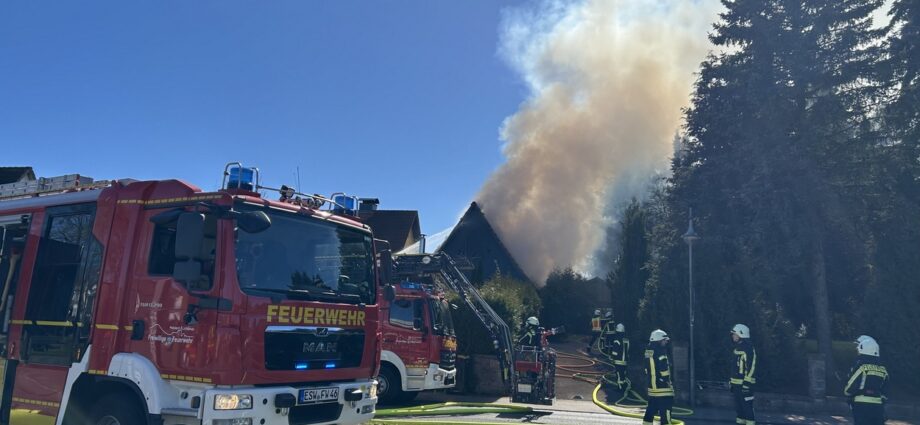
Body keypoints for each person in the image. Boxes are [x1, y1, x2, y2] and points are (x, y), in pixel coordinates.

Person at [844, 335, 888, 425]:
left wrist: (847, 393)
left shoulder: (862, 367)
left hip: (861, 406)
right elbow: (886, 389)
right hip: (878, 406)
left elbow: (850, 386)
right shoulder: (883, 369)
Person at [643, 329, 673, 425]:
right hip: (663, 389)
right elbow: (664, 371)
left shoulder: (648, 352)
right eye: (664, 340)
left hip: (652, 388)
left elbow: (646, 369)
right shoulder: (661, 352)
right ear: (659, 340)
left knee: (650, 412)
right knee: (666, 413)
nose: (666, 342)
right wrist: (668, 382)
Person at [730, 324, 756, 425]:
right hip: (736, 385)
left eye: (734, 334)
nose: (733, 336)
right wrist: (732, 383)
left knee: (747, 408)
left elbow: (751, 368)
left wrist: (747, 384)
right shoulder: (736, 349)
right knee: (739, 409)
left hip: (745, 385)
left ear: (741, 334)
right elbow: (734, 368)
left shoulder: (748, 349)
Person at [610, 323, 630, 390]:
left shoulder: (617, 339)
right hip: (625, 361)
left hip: (618, 361)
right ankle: (623, 385)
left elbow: (615, 352)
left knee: (618, 374)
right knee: (623, 374)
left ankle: (620, 388)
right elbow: (628, 349)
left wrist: (612, 358)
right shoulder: (626, 339)